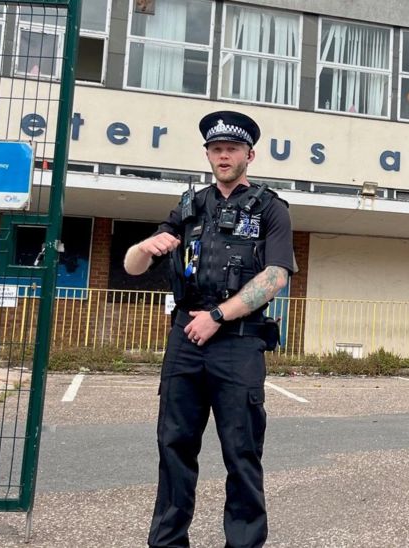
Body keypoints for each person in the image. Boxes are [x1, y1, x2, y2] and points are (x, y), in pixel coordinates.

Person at [123, 110, 294, 548]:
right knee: (174, 447)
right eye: (216, 149)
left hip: (237, 343)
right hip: (185, 340)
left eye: (232, 149)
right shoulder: (189, 207)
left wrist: (218, 316)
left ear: (249, 155)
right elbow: (133, 266)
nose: (223, 156)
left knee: (242, 453)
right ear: (207, 154)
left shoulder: (271, 209)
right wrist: (144, 246)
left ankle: (243, 543)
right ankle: (167, 542)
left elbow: (276, 276)